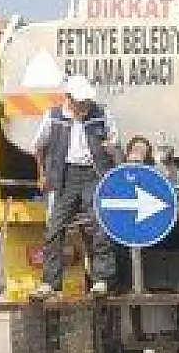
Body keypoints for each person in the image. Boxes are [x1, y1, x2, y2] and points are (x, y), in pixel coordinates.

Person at [30, 74, 119, 298]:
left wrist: (111, 149)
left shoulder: (101, 114)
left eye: (87, 101)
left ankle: (101, 280)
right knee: (55, 228)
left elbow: (114, 143)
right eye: (81, 101)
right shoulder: (54, 117)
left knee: (100, 225)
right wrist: (42, 175)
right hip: (65, 176)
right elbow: (38, 147)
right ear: (68, 98)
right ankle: (50, 283)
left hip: (94, 174)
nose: (85, 105)